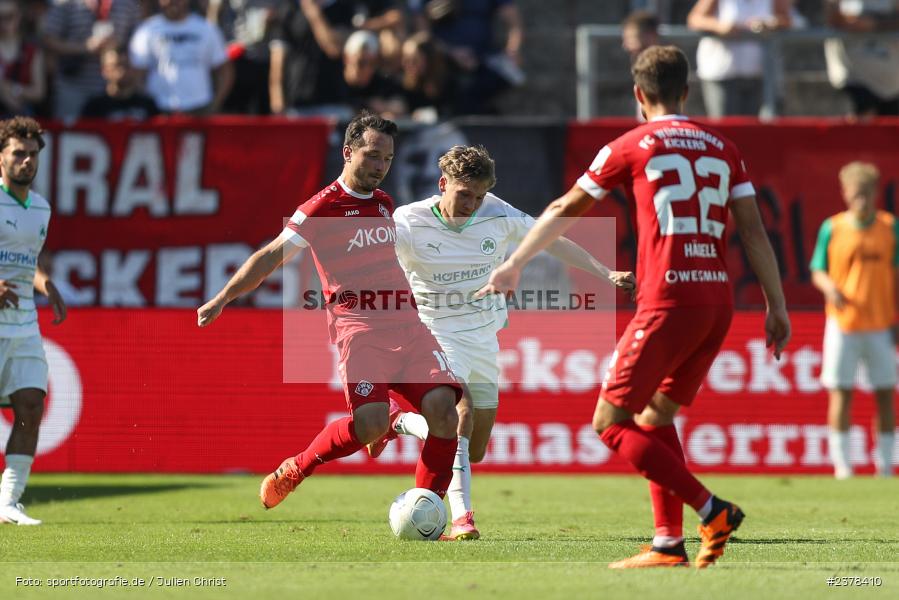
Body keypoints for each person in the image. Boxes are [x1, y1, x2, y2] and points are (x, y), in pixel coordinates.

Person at [480, 46, 790, 568]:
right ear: (687, 92)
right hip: (716, 301)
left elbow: (564, 207)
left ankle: (711, 510)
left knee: (610, 420)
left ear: (638, 95)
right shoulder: (724, 148)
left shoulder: (632, 143)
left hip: (667, 296)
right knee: (654, 415)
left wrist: (515, 263)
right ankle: (668, 543)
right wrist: (776, 305)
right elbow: (754, 231)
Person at [197, 112, 462, 509]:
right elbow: (271, 255)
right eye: (372, 155)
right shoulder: (320, 208)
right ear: (348, 152)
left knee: (444, 411)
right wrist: (222, 298)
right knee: (368, 425)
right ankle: (297, 467)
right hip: (361, 332)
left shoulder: (384, 203)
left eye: (387, 159)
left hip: (408, 328)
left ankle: (431, 508)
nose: (379, 167)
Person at [375, 144, 635, 540]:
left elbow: (551, 238)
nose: (473, 204)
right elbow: (372, 262)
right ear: (443, 184)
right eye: (465, 195)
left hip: (483, 336)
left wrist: (606, 272)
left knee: (473, 448)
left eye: (478, 196)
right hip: (435, 332)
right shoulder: (409, 222)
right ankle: (463, 517)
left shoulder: (496, 211)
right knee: (459, 414)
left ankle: (397, 423)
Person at [0, 116, 67, 526]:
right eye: (17, 153)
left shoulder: (40, 207)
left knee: (30, 404)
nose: (26, 161)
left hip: (23, 321)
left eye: (32, 154)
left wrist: (45, 283)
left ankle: (8, 500)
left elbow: (26, 261)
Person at [810, 161, 896, 479]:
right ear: (845, 193)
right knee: (841, 392)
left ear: (875, 193)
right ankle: (843, 468)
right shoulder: (832, 228)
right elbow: (817, 269)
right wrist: (829, 287)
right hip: (843, 323)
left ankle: (885, 467)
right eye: (856, 193)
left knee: (885, 392)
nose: (862, 199)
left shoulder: (890, 227)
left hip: (880, 324)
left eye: (867, 192)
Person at [687, 0, 791, 117]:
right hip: (722, 74)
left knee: (750, 131)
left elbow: (786, 19)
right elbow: (695, 18)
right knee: (724, 130)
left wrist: (769, 24)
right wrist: (719, 27)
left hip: (756, 75)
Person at [128, 0, 234, 115]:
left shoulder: (206, 29)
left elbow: (224, 70)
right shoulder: (147, 30)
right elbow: (136, 72)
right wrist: (145, 102)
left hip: (199, 107)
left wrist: (216, 102)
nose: (173, 2)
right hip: (159, 108)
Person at [41, 0, 141, 120]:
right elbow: (48, 39)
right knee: (71, 130)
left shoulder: (127, 4)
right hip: (73, 85)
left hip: (112, 90)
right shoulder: (66, 4)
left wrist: (116, 47)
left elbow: (138, 41)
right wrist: (84, 48)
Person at [824, 0, 899, 118]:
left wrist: (874, 24)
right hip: (854, 76)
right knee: (859, 129)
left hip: (891, 80)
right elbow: (834, 18)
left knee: (889, 132)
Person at [80, 47, 159, 120]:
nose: (122, 70)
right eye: (116, 65)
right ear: (104, 70)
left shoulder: (147, 105)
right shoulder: (94, 106)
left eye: (126, 65)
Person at [0, 0, 45, 117]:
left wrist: (13, 89)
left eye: (9, 17)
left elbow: (39, 92)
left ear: (18, 17)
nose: (3, 23)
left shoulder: (31, 50)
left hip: (22, 117)